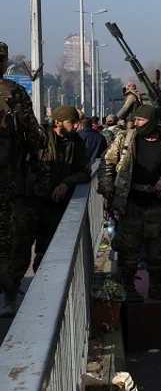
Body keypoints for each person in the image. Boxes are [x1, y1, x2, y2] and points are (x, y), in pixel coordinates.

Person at [98, 105, 161, 303]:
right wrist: (107, 187)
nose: (136, 123)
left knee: (157, 249)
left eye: (141, 120)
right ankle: (128, 287)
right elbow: (107, 162)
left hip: (157, 205)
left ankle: (155, 286)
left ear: (152, 122)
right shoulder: (125, 139)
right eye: (135, 120)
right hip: (130, 203)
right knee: (129, 249)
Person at [0, 42, 45, 317]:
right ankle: (8, 294)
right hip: (7, 176)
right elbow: (34, 135)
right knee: (6, 237)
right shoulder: (13, 92)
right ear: (4, 63)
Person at [25, 105, 91, 273]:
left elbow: (85, 172)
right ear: (58, 122)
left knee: (55, 249)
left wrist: (66, 183)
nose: (76, 126)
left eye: (77, 122)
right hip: (34, 201)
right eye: (72, 122)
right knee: (25, 248)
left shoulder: (76, 142)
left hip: (59, 204)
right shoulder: (39, 138)